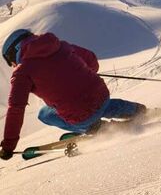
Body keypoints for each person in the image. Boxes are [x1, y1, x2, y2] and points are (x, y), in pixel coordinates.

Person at [0, 29, 146, 159]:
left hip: (79, 115)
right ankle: (135, 110)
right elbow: (92, 61)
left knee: (44, 114)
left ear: (15, 51)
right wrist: (79, 76)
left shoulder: (22, 71)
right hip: (101, 95)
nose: (13, 65)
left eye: (11, 62)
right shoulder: (61, 45)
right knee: (98, 102)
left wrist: (8, 146)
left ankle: (96, 128)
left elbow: (16, 108)